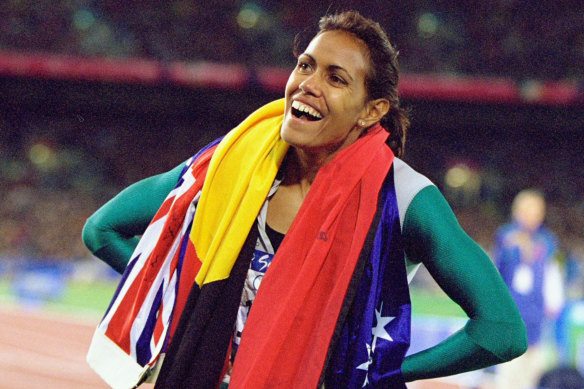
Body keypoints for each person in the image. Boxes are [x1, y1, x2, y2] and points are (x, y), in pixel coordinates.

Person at [83, 10, 527, 389]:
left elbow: (502, 331)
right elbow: (101, 230)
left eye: (336, 78)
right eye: (305, 65)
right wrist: (191, 305)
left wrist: (378, 375)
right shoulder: (232, 163)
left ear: (372, 111)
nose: (308, 84)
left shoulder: (404, 197)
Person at [494, 189, 564, 389]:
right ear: (518, 211)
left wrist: (553, 303)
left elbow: (553, 275)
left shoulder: (548, 241)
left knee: (534, 376)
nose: (534, 217)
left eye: (538, 212)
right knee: (508, 377)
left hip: (537, 317)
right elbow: (497, 273)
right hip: (511, 316)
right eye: (529, 211)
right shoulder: (506, 236)